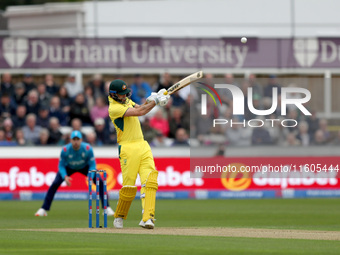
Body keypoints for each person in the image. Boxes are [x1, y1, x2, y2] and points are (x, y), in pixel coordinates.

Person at [108, 79, 169, 229]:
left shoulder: (125, 100)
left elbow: (140, 106)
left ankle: (148, 218)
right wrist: (155, 101)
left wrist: (152, 98)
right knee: (129, 186)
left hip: (142, 144)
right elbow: (140, 112)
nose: (124, 96)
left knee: (150, 181)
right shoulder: (114, 108)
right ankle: (120, 216)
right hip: (127, 148)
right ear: (114, 95)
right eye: (121, 95)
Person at [35, 130, 114, 217]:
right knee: (55, 184)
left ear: (81, 140)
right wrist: (65, 176)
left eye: (78, 139)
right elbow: (61, 166)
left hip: (85, 167)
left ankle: (107, 208)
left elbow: (92, 164)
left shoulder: (87, 148)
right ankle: (43, 209)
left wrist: (90, 175)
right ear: (70, 140)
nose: (76, 142)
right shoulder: (65, 150)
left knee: (100, 182)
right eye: (74, 139)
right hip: (69, 167)